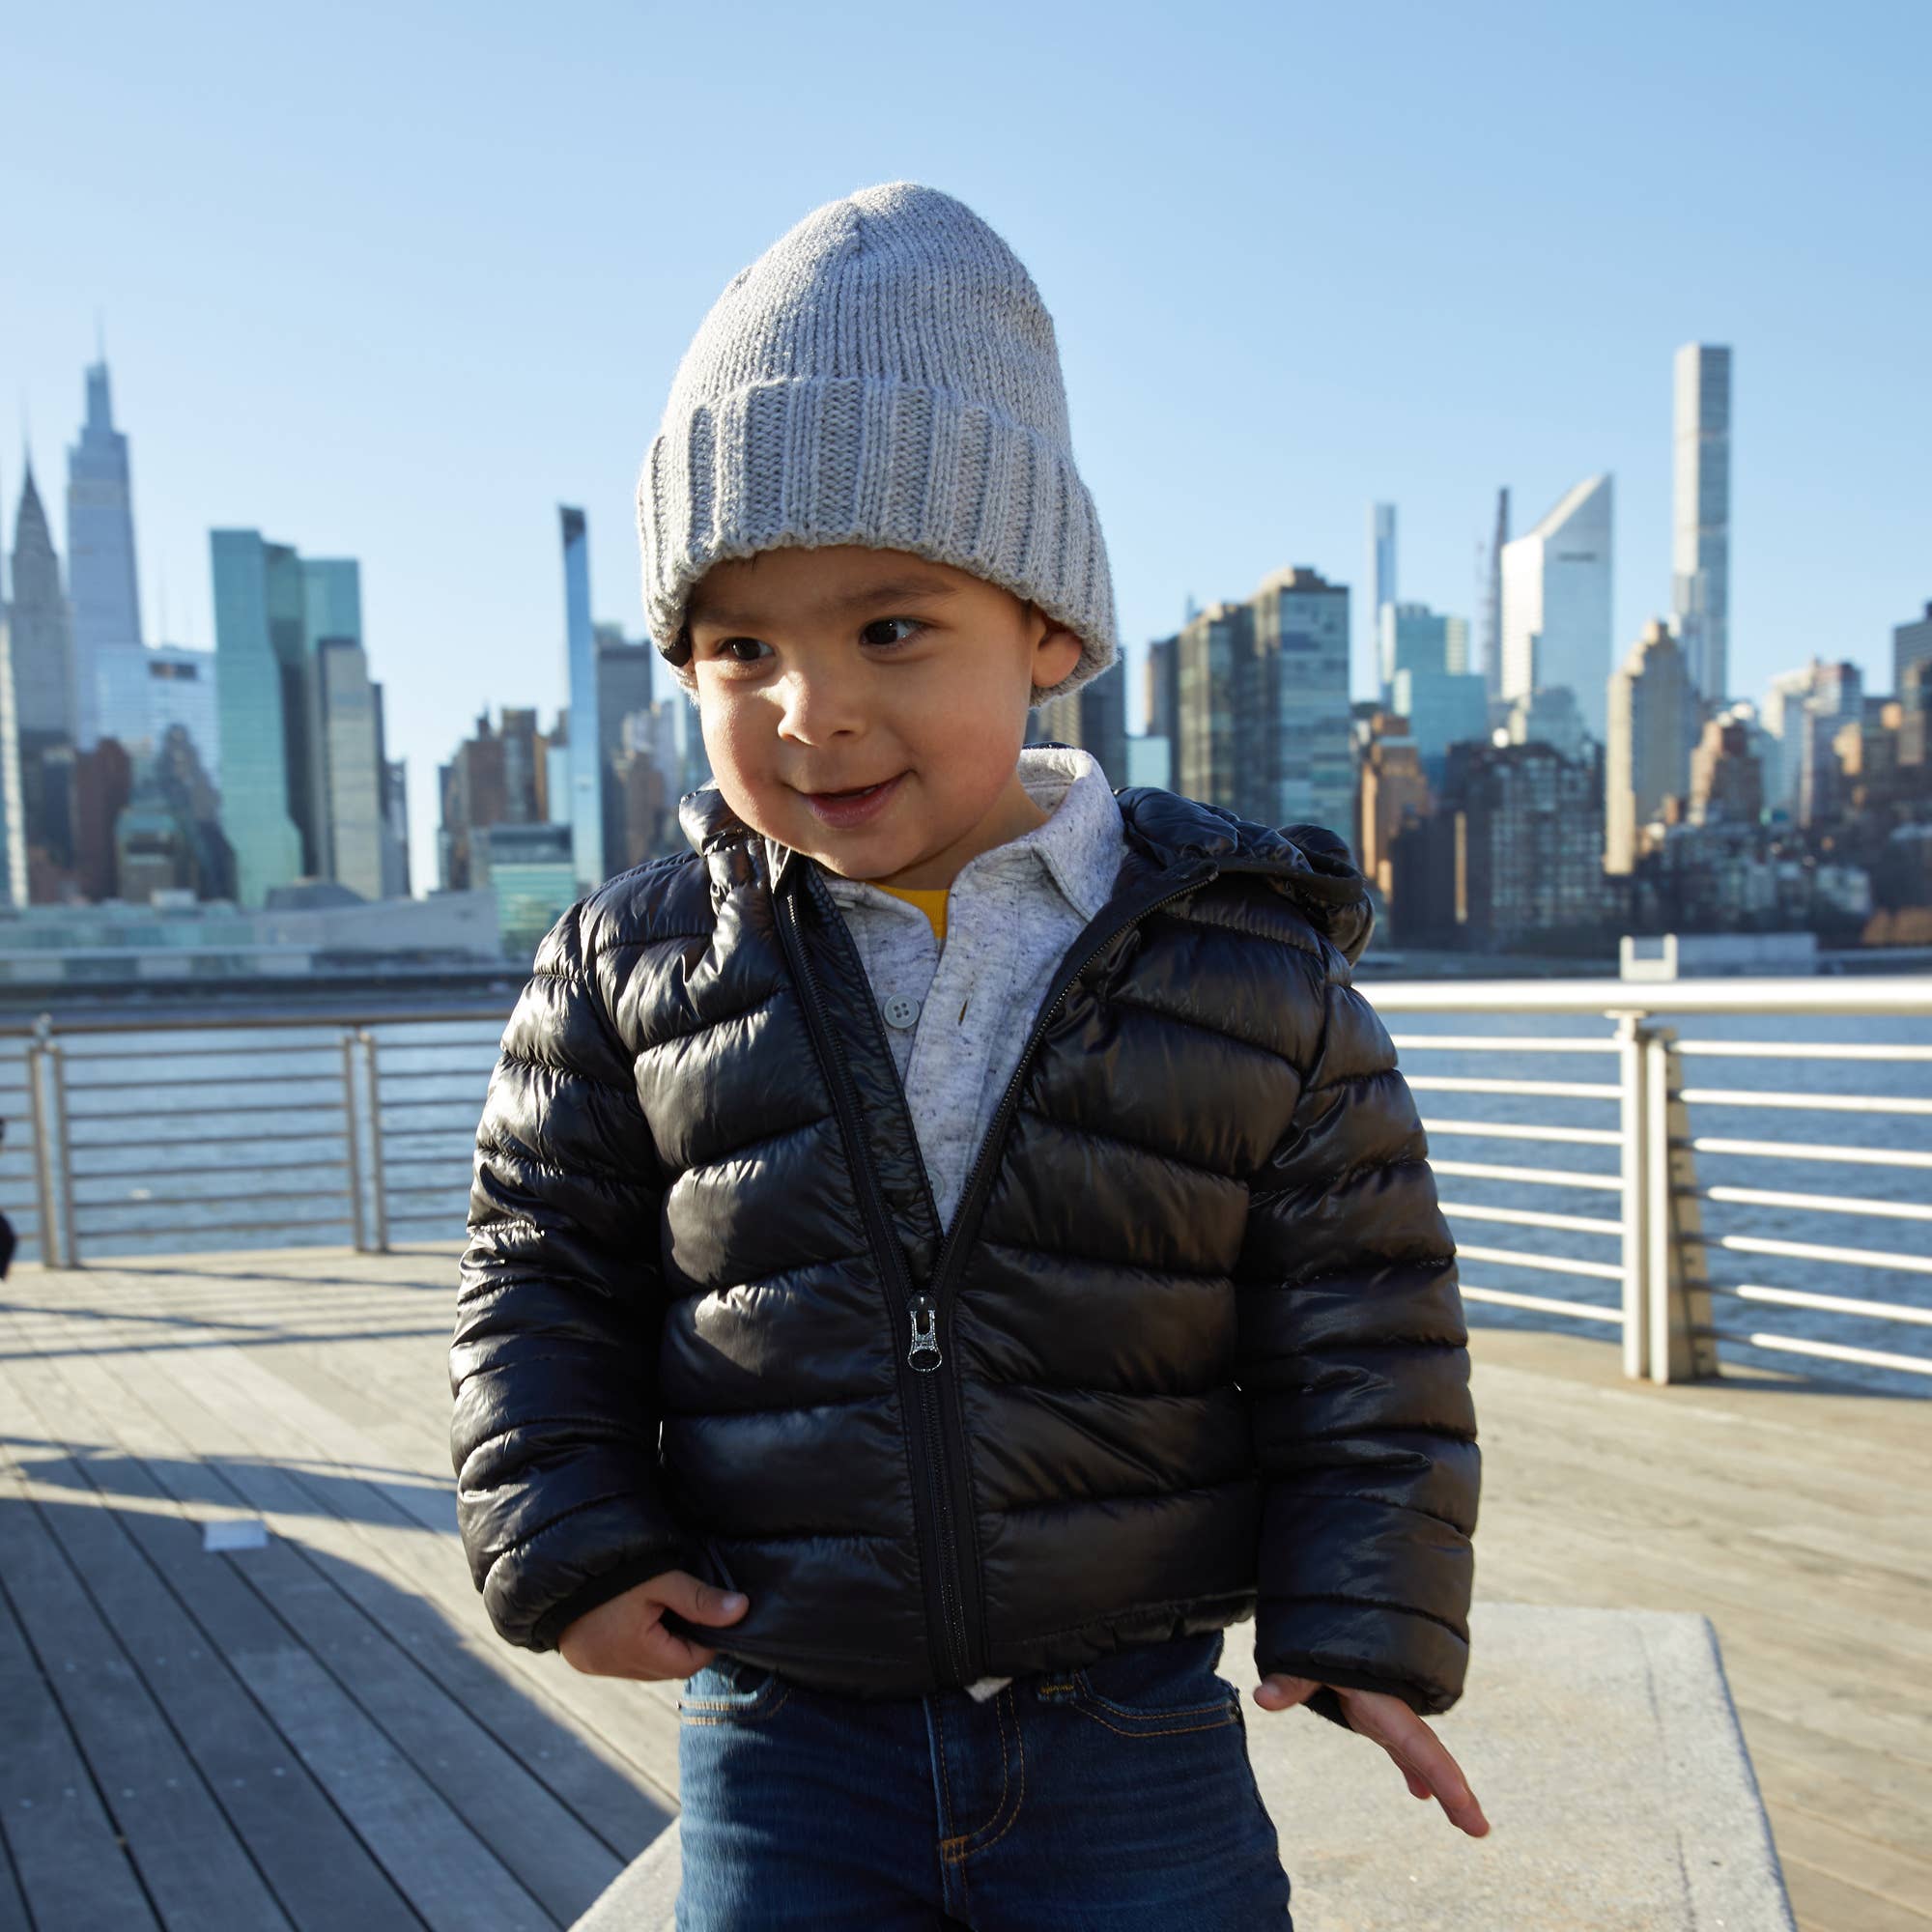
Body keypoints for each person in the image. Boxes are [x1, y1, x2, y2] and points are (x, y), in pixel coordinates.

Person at [451, 182, 1484, 1929]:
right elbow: (537, 1280)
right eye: (741, 649)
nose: (811, 708)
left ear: (1051, 634)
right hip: (783, 1721)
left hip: (1128, 1720)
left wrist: (1369, 1617)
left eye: (891, 629)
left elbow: (1364, 1323)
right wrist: (574, 1545)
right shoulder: (633, 965)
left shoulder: (1243, 962)